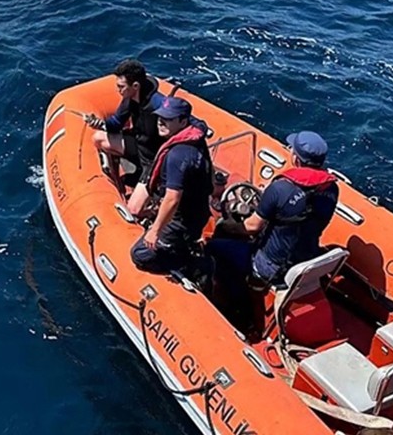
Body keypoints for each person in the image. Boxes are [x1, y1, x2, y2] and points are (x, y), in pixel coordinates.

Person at [209, 131, 339, 327]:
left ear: (296, 158)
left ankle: (236, 306)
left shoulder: (280, 189)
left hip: (270, 265)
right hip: (305, 257)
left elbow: (252, 227)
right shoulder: (331, 190)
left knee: (214, 247)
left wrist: (226, 225)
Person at [129, 96, 214, 276]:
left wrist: (155, 230)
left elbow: (172, 199)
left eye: (168, 119)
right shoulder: (196, 134)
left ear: (183, 122)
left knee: (139, 255)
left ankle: (192, 265)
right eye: (160, 117)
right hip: (197, 212)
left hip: (181, 222)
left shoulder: (178, 155)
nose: (160, 122)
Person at [86, 59, 164, 194]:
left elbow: (186, 121)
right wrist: (100, 124)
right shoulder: (129, 99)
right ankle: (116, 184)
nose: (118, 90)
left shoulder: (158, 104)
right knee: (99, 138)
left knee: (135, 208)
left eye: (121, 86)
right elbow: (116, 122)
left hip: (154, 156)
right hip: (138, 144)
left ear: (135, 86)